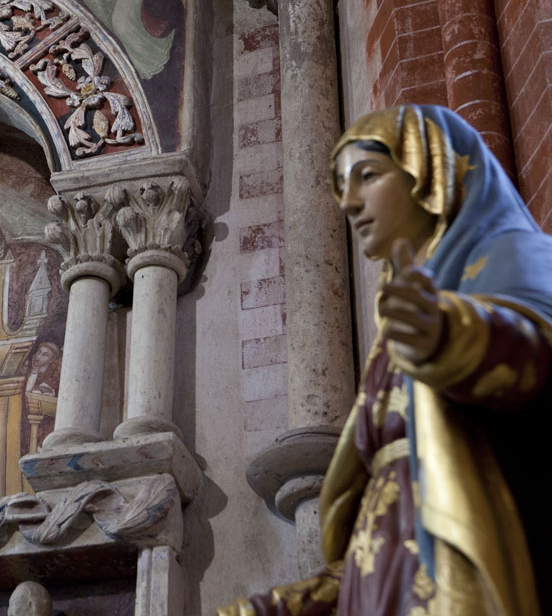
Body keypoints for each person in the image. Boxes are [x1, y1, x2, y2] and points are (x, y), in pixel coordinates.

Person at [218, 105, 549, 616]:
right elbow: (383, 525)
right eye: (340, 187)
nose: (348, 203)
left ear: (430, 170)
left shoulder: (516, 260)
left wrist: (449, 337)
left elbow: (535, 358)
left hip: (471, 569)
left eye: (367, 176)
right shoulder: (396, 335)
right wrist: (294, 604)